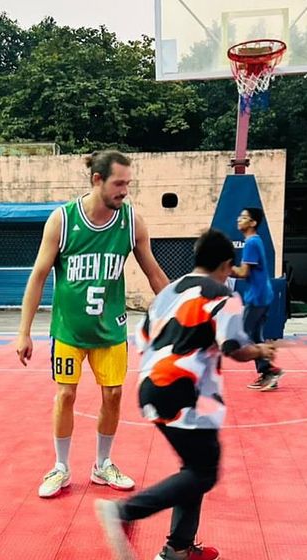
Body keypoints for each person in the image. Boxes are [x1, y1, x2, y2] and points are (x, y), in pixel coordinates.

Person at [95, 228, 277, 560]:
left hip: (150, 386)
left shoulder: (168, 292)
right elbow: (233, 347)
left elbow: (143, 338)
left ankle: (179, 548)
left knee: (194, 467)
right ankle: (125, 512)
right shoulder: (222, 295)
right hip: (182, 389)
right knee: (204, 471)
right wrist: (261, 350)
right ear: (224, 265)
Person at [16, 150, 169, 498]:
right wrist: (24, 331)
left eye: (128, 183)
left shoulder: (131, 222)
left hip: (110, 329)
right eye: (118, 183)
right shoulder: (63, 220)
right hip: (69, 330)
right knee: (66, 395)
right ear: (97, 180)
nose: (125, 191)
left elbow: (154, 274)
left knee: (113, 395)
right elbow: (38, 276)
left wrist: (183, 313)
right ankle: (60, 467)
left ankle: (102, 464)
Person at [231, 207, 284, 391]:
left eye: (244, 217)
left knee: (243, 335)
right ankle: (268, 372)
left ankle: (269, 370)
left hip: (258, 297)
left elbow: (243, 272)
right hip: (262, 295)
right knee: (255, 336)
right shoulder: (254, 241)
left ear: (253, 223)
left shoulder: (251, 243)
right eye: (240, 216)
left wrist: (223, 266)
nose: (239, 219)